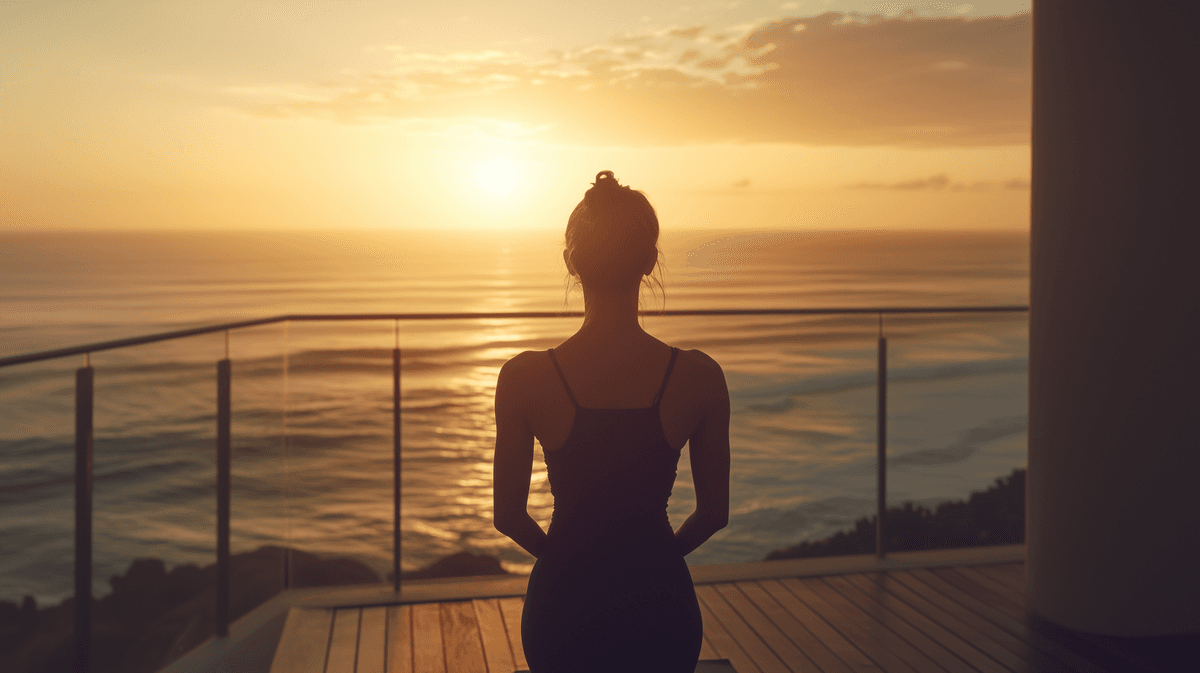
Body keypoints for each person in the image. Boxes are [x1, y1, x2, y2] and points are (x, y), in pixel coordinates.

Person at [492, 171, 731, 672]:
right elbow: (713, 513)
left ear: (571, 262)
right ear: (649, 260)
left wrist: (566, 560)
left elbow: (508, 516)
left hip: (563, 611)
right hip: (660, 610)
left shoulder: (523, 378)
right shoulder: (698, 377)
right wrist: (654, 559)